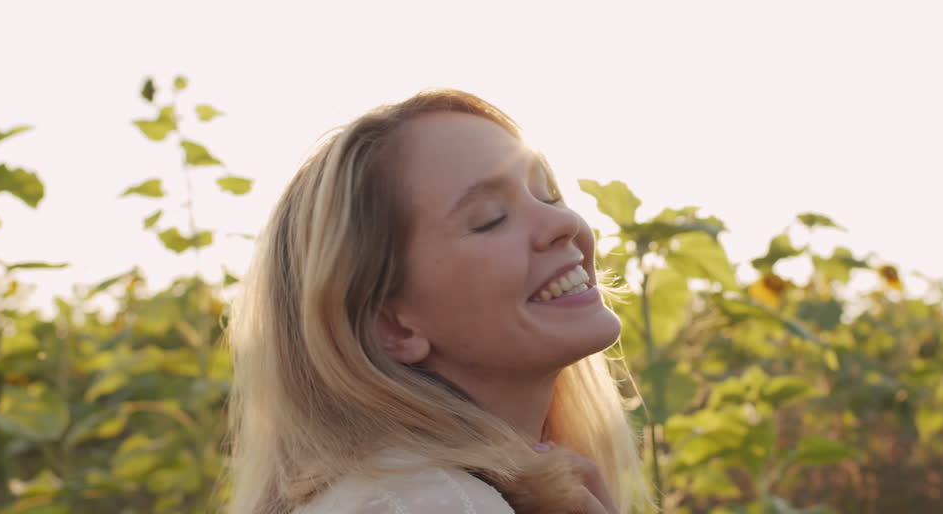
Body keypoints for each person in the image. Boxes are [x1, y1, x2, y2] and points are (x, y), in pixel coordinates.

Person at [222, 89, 653, 514]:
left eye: (548, 195)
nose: (562, 222)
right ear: (394, 326)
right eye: (490, 220)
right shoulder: (434, 502)